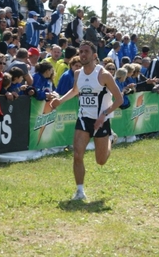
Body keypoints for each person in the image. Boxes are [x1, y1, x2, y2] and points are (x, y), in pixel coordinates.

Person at [50, 41, 123, 200]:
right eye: (81, 51)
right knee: (77, 155)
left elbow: (119, 99)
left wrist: (104, 115)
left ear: (94, 55)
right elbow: (75, 90)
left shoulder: (103, 74)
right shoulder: (77, 74)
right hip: (83, 119)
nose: (82, 54)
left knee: (101, 161)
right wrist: (59, 101)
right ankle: (80, 191)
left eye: (86, 52)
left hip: (101, 121)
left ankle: (110, 137)